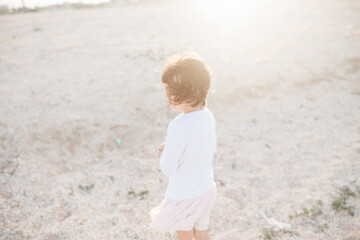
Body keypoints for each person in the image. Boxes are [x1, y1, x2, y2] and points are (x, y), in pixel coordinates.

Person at [149, 52, 217, 240]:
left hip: (186, 195)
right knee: (200, 231)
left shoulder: (178, 125)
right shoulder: (208, 115)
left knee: (185, 233)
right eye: (167, 88)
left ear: (192, 91)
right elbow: (211, 148)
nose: (167, 95)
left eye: (174, 90)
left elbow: (168, 168)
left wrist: (164, 154)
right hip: (207, 190)